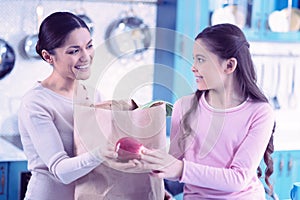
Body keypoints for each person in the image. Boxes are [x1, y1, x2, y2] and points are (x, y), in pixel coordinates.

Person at [133, 23, 276, 199]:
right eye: (194, 59)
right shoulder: (183, 106)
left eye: (200, 59)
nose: (193, 67)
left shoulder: (260, 112)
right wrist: (162, 183)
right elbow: (175, 168)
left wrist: (179, 169)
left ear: (229, 65)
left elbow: (238, 178)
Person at [18, 12, 133, 200]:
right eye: (74, 51)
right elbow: (62, 171)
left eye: (89, 46)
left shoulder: (92, 94)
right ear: (48, 57)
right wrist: (103, 152)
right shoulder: (36, 103)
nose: (86, 57)